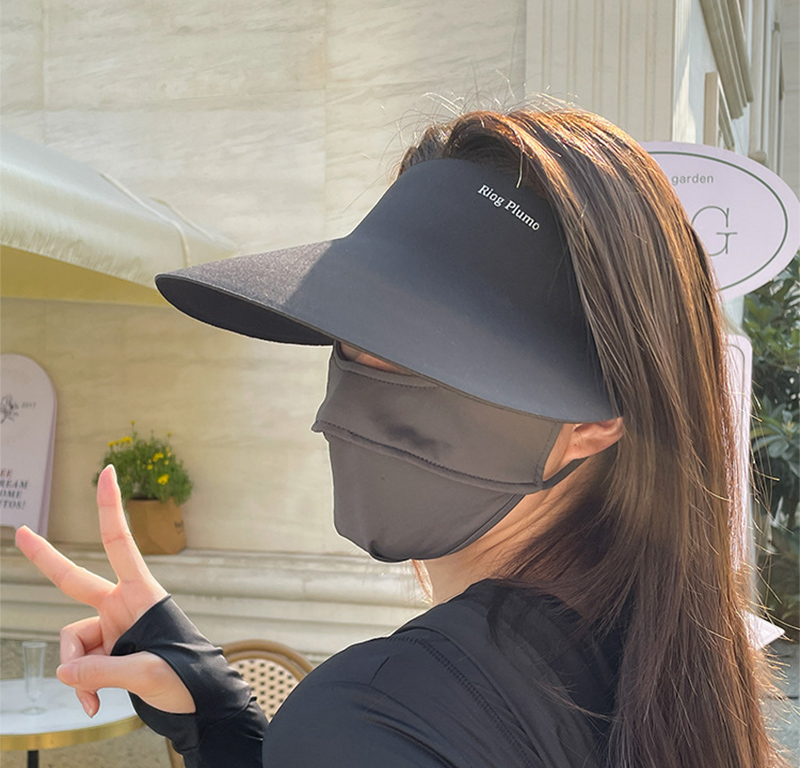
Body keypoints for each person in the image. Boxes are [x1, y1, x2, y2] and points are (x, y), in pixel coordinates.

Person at [16, 108, 788, 768]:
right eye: (356, 332)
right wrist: (217, 714)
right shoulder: (660, 661)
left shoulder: (379, 713)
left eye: (435, 346)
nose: (362, 387)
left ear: (594, 420)